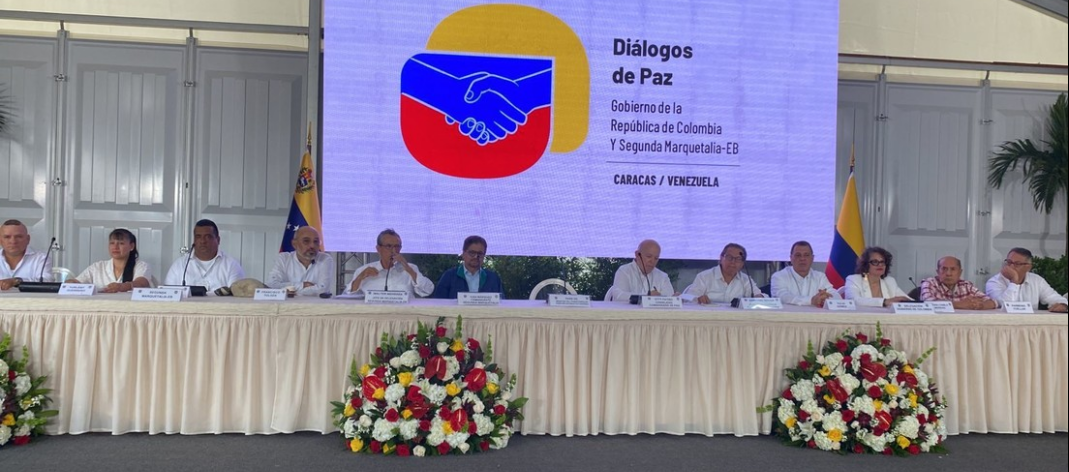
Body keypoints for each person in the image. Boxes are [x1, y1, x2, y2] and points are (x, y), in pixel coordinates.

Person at [344, 228, 433, 297]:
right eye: (389, 246)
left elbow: (428, 290)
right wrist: (360, 277)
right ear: (378, 249)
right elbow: (349, 296)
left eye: (397, 246)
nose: (394, 250)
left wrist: (409, 270)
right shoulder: (363, 270)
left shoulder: (410, 268)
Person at [163, 219, 245, 291]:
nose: (202, 241)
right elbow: (168, 295)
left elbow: (237, 298)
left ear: (218, 240)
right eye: (198, 237)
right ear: (194, 240)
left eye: (208, 237)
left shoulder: (232, 266)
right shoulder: (179, 265)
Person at [67, 228, 154, 292]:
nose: (115, 247)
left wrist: (123, 286)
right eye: (112, 243)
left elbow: (142, 282)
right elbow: (78, 281)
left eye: (121, 243)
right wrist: (70, 283)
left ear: (131, 246)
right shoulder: (97, 267)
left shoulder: (141, 266)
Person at [985, 248, 1068, 312]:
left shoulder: (1037, 280)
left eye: (1017, 264)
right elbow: (1005, 306)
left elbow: (1055, 298)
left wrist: (1063, 305)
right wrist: (1014, 281)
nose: (1011, 266)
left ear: (1028, 267)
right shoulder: (994, 282)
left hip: (1030, 326)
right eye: (1009, 262)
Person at [683, 243, 765, 304]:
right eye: (729, 257)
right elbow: (687, 297)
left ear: (743, 263)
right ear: (721, 258)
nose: (733, 262)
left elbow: (760, 296)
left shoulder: (746, 280)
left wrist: (759, 298)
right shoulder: (704, 276)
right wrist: (698, 299)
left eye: (738, 259)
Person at [265, 226, 335, 296]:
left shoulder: (325, 259)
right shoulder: (284, 259)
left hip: (316, 305)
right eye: (306, 241)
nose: (312, 246)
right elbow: (271, 285)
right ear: (294, 244)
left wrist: (289, 291)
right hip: (287, 305)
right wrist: (302, 285)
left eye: (316, 241)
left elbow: (323, 289)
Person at [770, 240, 839, 307]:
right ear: (791, 258)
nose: (802, 258)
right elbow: (782, 297)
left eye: (806, 255)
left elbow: (836, 296)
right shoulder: (779, 276)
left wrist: (825, 298)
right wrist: (811, 300)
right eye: (798, 255)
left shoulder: (820, 277)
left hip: (815, 318)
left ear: (812, 258)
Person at [433, 235, 503, 299]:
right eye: (472, 253)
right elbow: (439, 303)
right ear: (463, 254)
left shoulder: (493, 278)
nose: (476, 257)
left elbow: (501, 304)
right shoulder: (449, 276)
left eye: (480, 254)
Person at [605, 239, 676, 302]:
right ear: (637, 255)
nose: (652, 261)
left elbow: (669, 298)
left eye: (656, 258)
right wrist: (645, 297)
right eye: (649, 256)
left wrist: (675, 299)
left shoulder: (663, 277)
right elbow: (619, 296)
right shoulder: (624, 271)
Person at [919, 256, 997, 310]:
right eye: (944, 269)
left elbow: (993, 302)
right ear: (938, 272)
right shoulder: (929, 283)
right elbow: (928, 303)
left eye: (953, 269)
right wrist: (960, 304)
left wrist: (981, 305)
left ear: (960, 272)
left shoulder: (966, 285)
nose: (948, 273)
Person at [843, 246, 912, 307]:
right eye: (875, 262)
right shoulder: (854, 280)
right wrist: (884, 302)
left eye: (882, 262)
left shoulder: (890, 281)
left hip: (886, 319)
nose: (880, 265)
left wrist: (918, 303)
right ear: (866, 264)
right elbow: (854, 301)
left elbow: (906, 300)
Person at [1, 219, 53, 290]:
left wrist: (16, 281)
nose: (13, 241)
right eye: (7, 237)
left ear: (28, 239)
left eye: (18, 237)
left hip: (32, 300)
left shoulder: (41, 258)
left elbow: (46, 281)